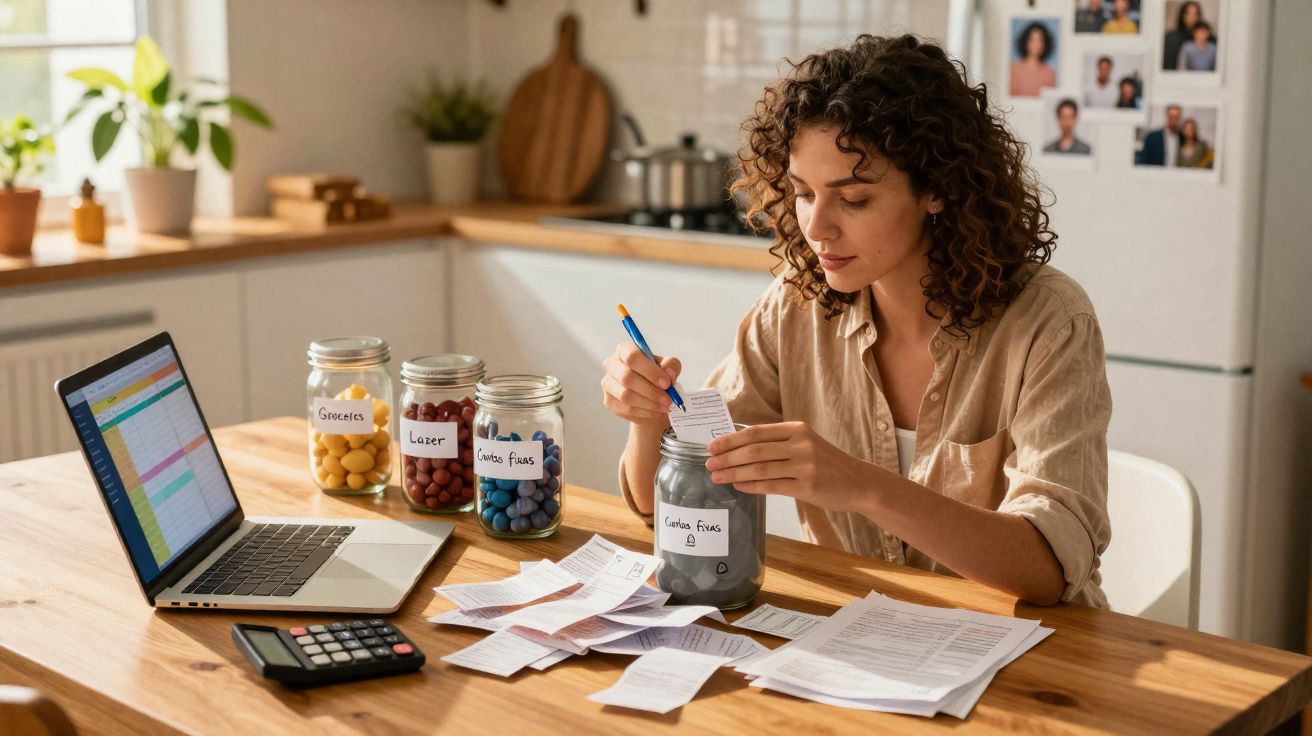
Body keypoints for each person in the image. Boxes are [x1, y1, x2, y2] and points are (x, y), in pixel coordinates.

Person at [603, 35, 1112, 607]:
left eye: (854, 199)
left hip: (1033, 658)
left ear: (937, 189)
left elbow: (1049, 568)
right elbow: (662, 505)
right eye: (802, 193)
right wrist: (647, 419)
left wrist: (865, 486)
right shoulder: (796, 307)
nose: (816, 227)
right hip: (859, 642)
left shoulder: (1047, 321)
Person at [1009, 22, 1058, 97]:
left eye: (1040, 40)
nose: (1036, 44)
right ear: (1026, 42)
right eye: (1032, 40)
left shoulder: (1049, 73)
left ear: (1045, 44)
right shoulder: (1013, 69)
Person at [1163, 1, 1202, 70]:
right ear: (1182, 15)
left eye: (1195, 14)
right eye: (1188, 13)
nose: (1192, 17)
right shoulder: (1171, 38)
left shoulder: (1208, 39)